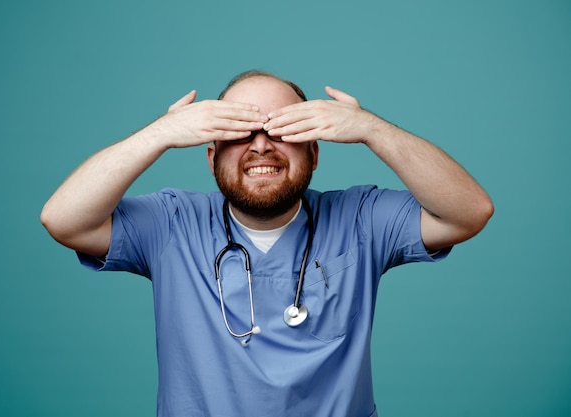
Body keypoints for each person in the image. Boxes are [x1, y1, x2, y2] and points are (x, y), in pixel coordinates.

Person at [41, 70, 493, 417]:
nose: (261, 146)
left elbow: (470, 212)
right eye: (238, 130)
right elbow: (63, 221)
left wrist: (372, 128)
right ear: (211, 155)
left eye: (284, 130)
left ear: (315, 152)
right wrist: (159, 134)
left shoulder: (361, 218)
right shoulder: (171, 223)